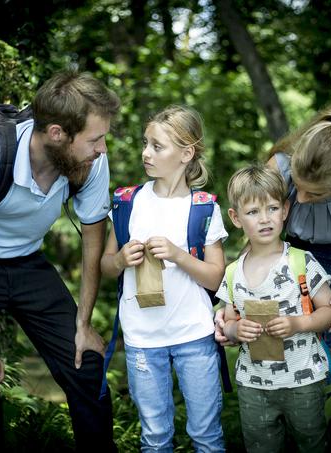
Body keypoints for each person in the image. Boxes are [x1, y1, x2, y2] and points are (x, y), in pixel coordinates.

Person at [0, 70, 120, 452]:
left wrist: (83, 322)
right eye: (95, 139)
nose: (103, 149)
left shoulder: (90, 161)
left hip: (26, 259)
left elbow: (93, 238)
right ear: (57, 134)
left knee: (87, 363)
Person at [216, 107, 331, 384]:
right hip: (309, 256)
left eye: (314, 193)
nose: (299, 199)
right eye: (297, 187)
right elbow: (259, 241)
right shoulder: (280, 166)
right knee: (323, 358)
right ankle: (329, 422)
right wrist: (230, 304)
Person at [100, 105, 227, 452]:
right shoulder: (127, 203)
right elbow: (105, 266)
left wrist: (178, 255)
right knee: (155, 438)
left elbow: (217, 279)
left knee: (207, 436)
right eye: (145, 143)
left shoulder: (203, 208)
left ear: (186, 153)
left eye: (157, 146)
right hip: (142, 338)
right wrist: (122, 258)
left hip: (195, 337)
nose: (145, 153)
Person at [216, 164, 331, 453]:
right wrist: (235, 329)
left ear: (285, 210)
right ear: (235, 218)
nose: (264, 219)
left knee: (313, 444)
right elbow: (228, 326)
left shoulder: (301, 262)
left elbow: (330, 312)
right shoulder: (233, 273)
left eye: (271, 208)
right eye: (253, 212)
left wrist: (297, 324)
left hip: (304, 380)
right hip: (254, 386)